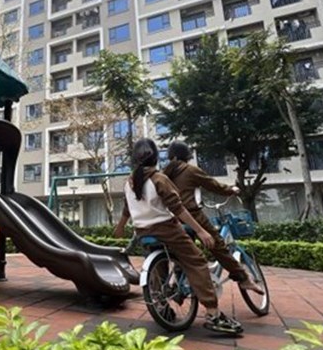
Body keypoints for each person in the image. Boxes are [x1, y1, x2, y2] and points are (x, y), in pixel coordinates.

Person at [113, 138, 243, 334]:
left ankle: (161, 305)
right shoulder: (158, 179)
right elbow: (178, 209)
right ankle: (213, 314)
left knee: (159, 270)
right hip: (167, 230)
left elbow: (126, 209)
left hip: (142, 232)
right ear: (156, 158)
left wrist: (120, 227)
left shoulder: (129, 182)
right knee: (197, 261)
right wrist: (201, 231)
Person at [161, 141, 264, 295]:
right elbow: (213, 185)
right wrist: (231, 190)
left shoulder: (164, 174)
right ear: (186, 156)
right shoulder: (190, 170)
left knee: (184, 253)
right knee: (218, 245)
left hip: (172, 218)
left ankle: (179, 285)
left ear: (171, 157)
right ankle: (243, 279)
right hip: (192, 215)